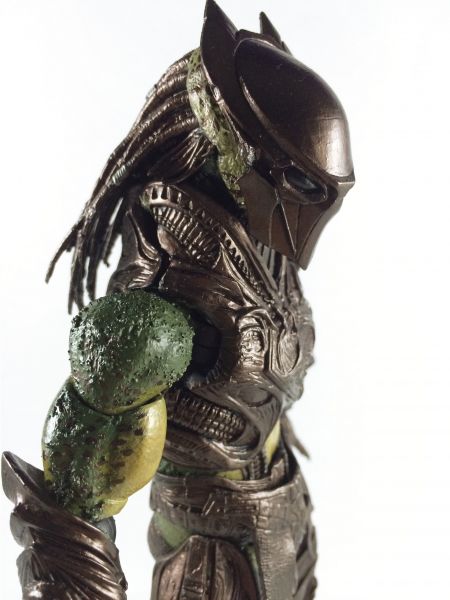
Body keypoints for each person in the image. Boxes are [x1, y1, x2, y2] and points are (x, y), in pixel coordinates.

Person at [2, 2, 354, 598]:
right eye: (299, 181)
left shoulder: (263, 249)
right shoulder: (153, 319)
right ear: (235, 148)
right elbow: (75, 504)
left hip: (285, 522)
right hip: (210, 555)